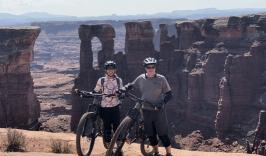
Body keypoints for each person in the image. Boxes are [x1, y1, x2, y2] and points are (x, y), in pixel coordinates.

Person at [124, 57, 173, 156]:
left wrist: (161, 103)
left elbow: (169, 94)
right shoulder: (141, 78)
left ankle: (169, 153)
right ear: (145, 68)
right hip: (146, 110)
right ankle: (156, 153)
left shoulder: (161, 78)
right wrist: (124, 88)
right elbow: (132, 85)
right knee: (151, 134)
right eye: (148, 67)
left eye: (152, 67)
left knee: (163, 134)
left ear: (155, 68)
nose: (150, 69)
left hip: (158, 112)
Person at [93, 60, 123, 145]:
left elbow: (121, 90)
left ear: (115, 70)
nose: (110, 70)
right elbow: (96, 89)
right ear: (105, 70)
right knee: (106, 126)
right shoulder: (101, 80)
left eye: (112, 69)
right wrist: (92, 93)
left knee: (117, 125)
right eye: (108, 69)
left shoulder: (118, 80)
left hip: (115, 106)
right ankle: (108, 144)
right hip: (104, 107)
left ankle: (118, 143)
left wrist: (120, 93)